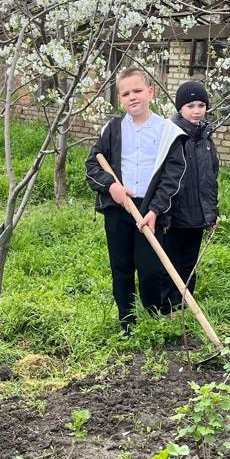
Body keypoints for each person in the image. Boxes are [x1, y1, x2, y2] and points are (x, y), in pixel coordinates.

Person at [84, 67, 186, 332]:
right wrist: (111, 188)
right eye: (126, 93)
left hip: (149, 211)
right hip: (119, 209)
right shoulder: (112, 130)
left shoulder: (167, 132)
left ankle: (151, 319)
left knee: (151, 269)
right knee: (121, 267)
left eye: (137, 91)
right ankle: (127, 321)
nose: (132, 97)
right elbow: (92, 165)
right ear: (120, 99)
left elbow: (173, 175)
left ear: (150, 92)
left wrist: (155, 209)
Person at [160, 80, 219, 311]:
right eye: (190, 106)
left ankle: (185, 305)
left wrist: (211, 214)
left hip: (197, 215)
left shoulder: (205, 138)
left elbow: (211, 177)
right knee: (170, 263)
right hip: (175, 214)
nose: (196, 111)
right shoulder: (170, 136)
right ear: (180, 109)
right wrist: (164, 214)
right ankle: (165, 308)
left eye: (201, 105)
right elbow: (162, 179)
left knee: (189, 262)